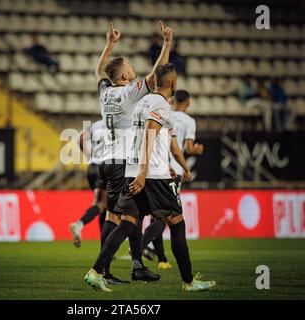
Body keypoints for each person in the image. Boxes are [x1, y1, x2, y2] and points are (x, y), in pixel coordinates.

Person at [85, 63, 216, 292]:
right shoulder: (160, 104)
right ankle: (188, 282)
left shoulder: (141, 103)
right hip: (152, 175)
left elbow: (148, 137)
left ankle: (96, 272)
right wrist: (148, 170)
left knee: (126, 223)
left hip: (133, 170)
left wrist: (159, 165)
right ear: (172, 84)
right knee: (177, 223)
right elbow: (149, 135)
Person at [83, 21, 174, 290]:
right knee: (128, 219)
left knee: (117, 217)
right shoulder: (127, 94)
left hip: (107, 161)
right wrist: (167, 44)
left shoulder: (106, 93)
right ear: (124, 77)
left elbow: (99, 70)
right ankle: (104, 270)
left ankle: (126, 268)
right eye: (130, 69)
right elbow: (158, 74)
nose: (134, 70)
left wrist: (109, 44)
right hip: (124, 162)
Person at [141, 90, 203, 270]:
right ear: (188, 103)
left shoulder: (162, 111)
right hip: (172, 172)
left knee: (157, 215)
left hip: (156, 167)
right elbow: (187, 148)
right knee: (169, 217)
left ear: (173, 100)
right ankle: (141, 245)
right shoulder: (189, 121)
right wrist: (196, 152)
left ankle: (162, 259)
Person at [69, 120, 107, 248]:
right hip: (106, 167)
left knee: (101, 206)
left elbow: (80, 139)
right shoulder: (119, 121)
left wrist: (89, 156)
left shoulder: (96, 125)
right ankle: (79, 224)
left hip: (92, 167)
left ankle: (104, 247)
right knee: (105, 206)